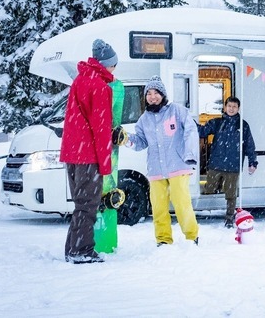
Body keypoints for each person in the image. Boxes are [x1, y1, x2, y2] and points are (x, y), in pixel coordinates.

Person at [116, 76, 200, 246]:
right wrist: (126, 139)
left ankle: (192, 236)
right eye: (149, 93)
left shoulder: (177, 111)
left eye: (156, 93)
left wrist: (190, 154)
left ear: (163, 94)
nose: (152, 96)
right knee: (158, 206)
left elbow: (191, 131)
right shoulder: (143, 120)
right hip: (156, 169)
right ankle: (163, 239)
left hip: (178, 165)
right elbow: (140, 142)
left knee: (181, 202)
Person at [60, 39, 118, 264]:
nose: (114, 69)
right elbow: (101, 128)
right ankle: (82, 251)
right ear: (106, 64)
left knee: (80, 204)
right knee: (88, 205)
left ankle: (72, 248)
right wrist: (106, 165)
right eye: (113, 64)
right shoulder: (100, 87)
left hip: (72, 154)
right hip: (88, 156)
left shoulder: (80, 80)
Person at [198, 96, 257, 228]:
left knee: (231, 194)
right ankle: (207, 207)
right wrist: (189, 123)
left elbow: (249, 145)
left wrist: (253, 162)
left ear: (238, 108)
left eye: (234, 107)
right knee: (209, 189)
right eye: (229, 106)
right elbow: (202, 131)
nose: (231, 109)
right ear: (225, 107)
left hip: (233, 166)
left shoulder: (243, 125)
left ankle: (229, 218)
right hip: (216, 164)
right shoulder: (217, 122)